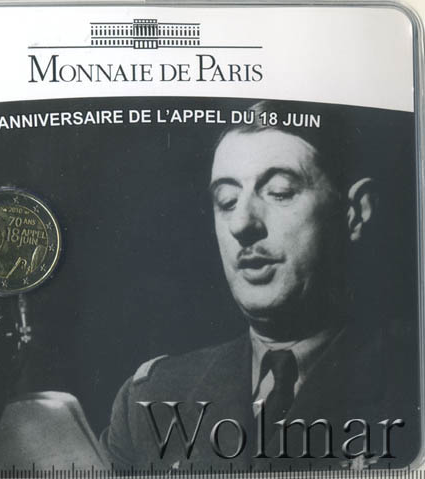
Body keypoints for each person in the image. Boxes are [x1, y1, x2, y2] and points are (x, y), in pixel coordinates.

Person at [100, 101, 420, 471]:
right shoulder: (151, 400)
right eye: (226, 200)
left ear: (354, 213)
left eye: (279, 191)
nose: (241, 223)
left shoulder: (412, 381)